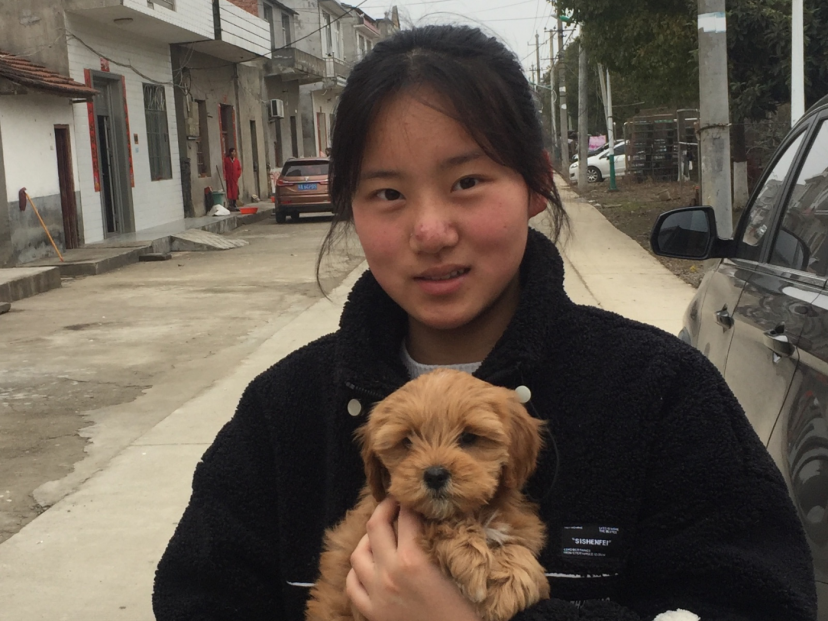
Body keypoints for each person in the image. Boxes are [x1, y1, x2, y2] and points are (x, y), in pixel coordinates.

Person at [153, 25, 817, 621]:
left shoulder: (660, 392)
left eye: (466, 181)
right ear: (349, 208)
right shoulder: (282, 411)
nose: (432, 230)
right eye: (387, 193)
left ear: (533, 184)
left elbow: (760, 601)